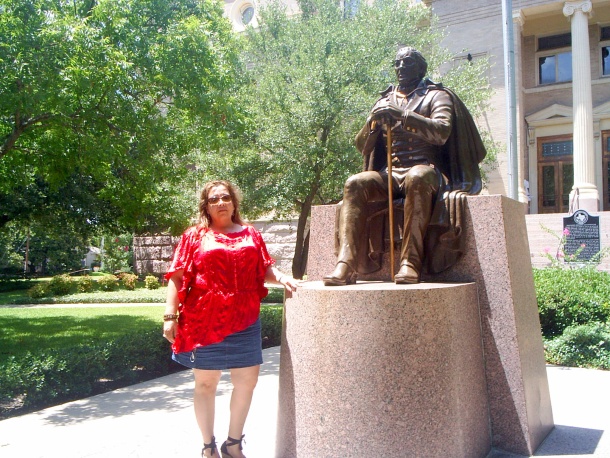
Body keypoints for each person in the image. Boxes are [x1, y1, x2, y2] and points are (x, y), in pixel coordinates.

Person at [324, 46, 487, 286]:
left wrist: (402, 116)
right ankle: (346, 263)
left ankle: (410, 262)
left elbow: (441, 132)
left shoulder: (436, 96)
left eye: (407, 63)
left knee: (417, 176)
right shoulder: (384, 100)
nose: (401, 68)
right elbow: (362, 147)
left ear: (421, 68)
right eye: (398, 63)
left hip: (426, 169)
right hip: (390, 173)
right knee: (355, 183)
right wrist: (372, 123)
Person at [163, 180, 298, 458]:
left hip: (245, 318)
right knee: (205, 384)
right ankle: (208, 446)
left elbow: (264, 268)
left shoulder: (250, 234)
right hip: (204, 320)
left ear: (234, 202)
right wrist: (169, 316)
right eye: (214, 199)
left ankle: (233, 444)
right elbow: (176, 277)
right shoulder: (194, 236)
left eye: (226, 197)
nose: (221, 202)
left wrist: (282, 277)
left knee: (246, 382)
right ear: (206, 206)